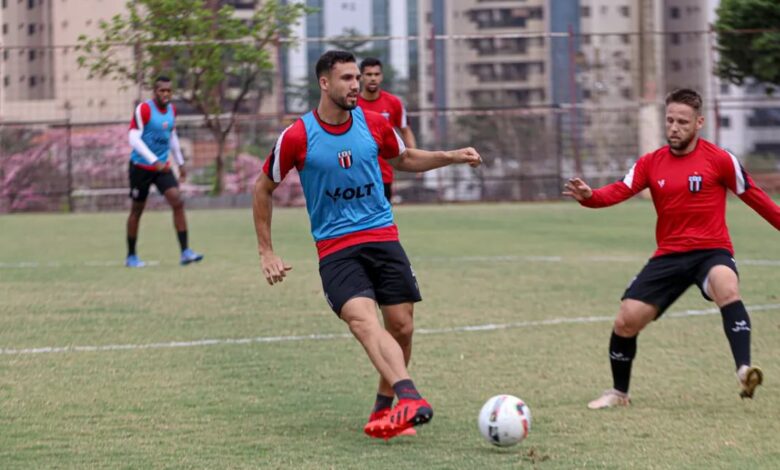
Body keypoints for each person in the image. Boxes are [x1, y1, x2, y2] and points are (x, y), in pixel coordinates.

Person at [253, 50, 481, 439]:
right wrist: (266, 250)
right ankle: (409, 395)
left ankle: (382, 411)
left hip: (382, 237)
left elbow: (404, 157)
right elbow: (263, 187)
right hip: (336, 248)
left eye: (357, 77)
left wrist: (451, 156)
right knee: (363, 321)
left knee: (402, 327)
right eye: (346, 78)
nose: (356, 85)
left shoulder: (375, 124)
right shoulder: (297, 136)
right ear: (324, 83)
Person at [564, 88, 780, 409]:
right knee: (626, 321)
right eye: (670, 121)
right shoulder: (651, 163)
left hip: (711, 250)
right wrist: (590, 196)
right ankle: (619, 393)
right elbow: (619, 190)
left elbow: (756, 197)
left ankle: (744, 370)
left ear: (699, 123)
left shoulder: (719, 160)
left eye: (682, 121)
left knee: (727, 285)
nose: (674, 127)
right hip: (669, 255)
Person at [126, 76, 204, 268]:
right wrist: (153, 160)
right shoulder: (144, 109)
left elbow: (172, 136)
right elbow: (133, 138)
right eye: (162, 90)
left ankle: (186, 252)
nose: (166, 94)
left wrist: (180, 162)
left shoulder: (172, 110)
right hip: (140, 168)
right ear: (155, 91)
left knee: (177, 201)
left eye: (169, 90)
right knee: (137, 210)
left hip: (162, 169)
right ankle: (131, 256)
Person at [357, 57, 417, 202]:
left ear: (381, 76)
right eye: (369, 74)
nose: (373, 78)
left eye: (376, 74)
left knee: (382, 220)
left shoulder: (393, 103)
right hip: (357, 174)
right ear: (361, 77)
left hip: (383, 173)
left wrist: (414, 159)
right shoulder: (352, 105)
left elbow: (406, 131)